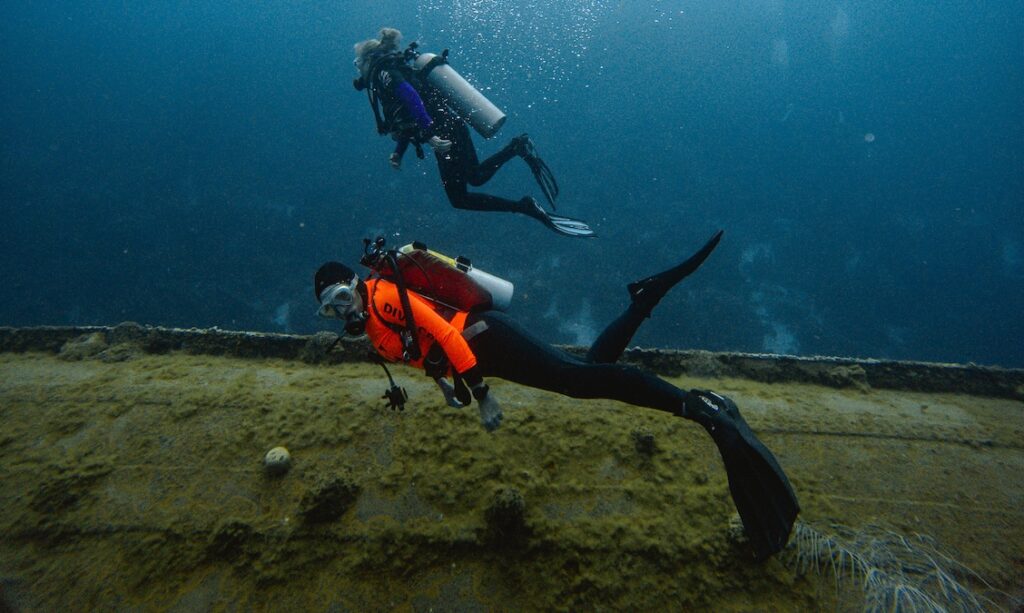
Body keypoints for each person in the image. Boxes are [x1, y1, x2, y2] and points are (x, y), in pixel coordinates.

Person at [313, 230, 800, 560]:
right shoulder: (373, 327)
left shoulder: (384, 297)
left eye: (341, 298)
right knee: (583, 372)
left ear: (355, 285)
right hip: (478, 354)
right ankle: (642, 300)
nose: (341, 312)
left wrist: (481, 395)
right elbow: (423, 353)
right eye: (330, 309)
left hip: (486, 338)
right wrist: (446, 387)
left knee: (576, 381)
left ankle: (697, 406)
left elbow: (445, 332)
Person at [352, 28, 594, 238]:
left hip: (442, 132)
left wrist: (430, 135)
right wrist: (398, 153)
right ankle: (517, 155)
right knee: (474, 178)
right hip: (448, 126)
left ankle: (524, 201)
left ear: (368, 59)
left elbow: (411, 97)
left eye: (357, 62)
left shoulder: (382, 73)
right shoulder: (388, 72)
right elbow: (406, 118)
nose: (358, 67)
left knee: (461, 196)